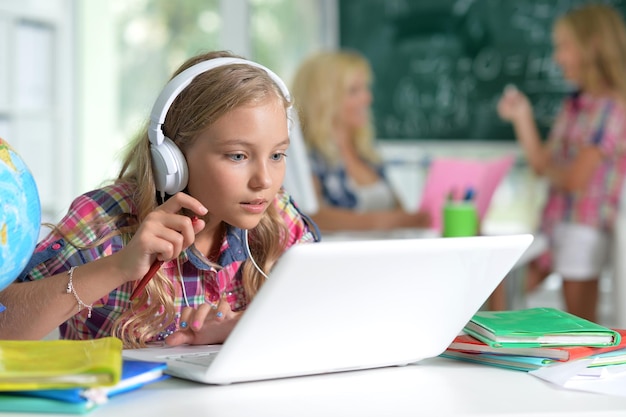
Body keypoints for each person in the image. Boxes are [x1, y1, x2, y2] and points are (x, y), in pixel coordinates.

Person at [0, 50, 320, 348]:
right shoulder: (103, 220)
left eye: (277, 154)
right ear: (173, 158)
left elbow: (327, 319)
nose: (264, 180)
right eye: (238, 155)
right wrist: (119, 266)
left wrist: (239, 333)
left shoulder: (277, 216)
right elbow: (5, 324)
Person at [497, 3, 626, 323]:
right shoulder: (575, 105)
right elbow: (543, 164)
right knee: (502, 289)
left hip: (584, 229)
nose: (557, 57)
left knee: (581, 326)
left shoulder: (611, 108)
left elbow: (575, 180)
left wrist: (557, 173)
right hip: (553, 223)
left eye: (563, 46)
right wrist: (522, 117)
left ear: (592, 45)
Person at [291, 50, 431, 232]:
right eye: (354, 91)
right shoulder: (306, 158)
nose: (367, 98)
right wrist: (385, 222)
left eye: (365, 88)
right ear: (324, 99)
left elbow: (400, 212)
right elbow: (310, 218)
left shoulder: (367, 153)